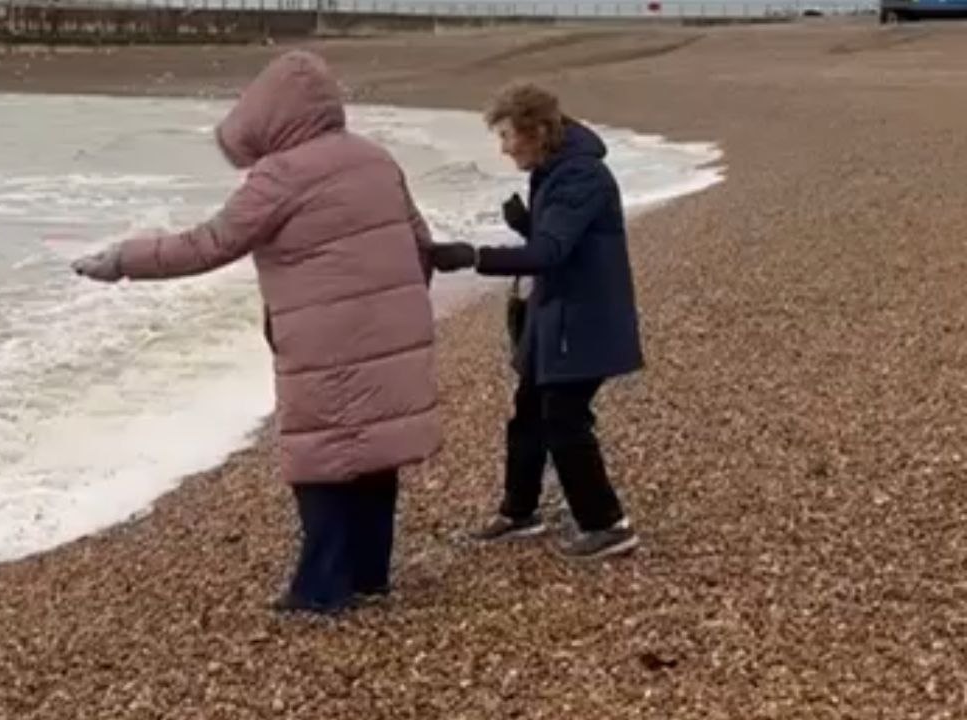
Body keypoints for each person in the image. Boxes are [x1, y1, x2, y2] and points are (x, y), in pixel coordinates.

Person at [70, 50, 441, 613]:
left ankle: (321, 590)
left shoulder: (282, 175)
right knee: (373, 450)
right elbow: (419, 241)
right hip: (386, 327)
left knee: (321, 455)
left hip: (322, 339)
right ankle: (370, 575)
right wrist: (400, 307)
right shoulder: (376, 158)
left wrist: (124, 260)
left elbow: (208, 244)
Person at [429, 81, 641, 560]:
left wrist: (473, 256)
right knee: (528, 411)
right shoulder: (553, 169)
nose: (504, 149)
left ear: (538, 131)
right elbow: (562, 240)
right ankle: (519, 512)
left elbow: (549, 253)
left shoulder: (579, 175)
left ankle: (608, 524)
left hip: (583, 319)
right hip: (555, 313)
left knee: (564, 419)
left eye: (508, 136)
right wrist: (526, 225)